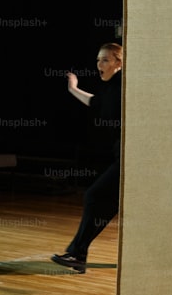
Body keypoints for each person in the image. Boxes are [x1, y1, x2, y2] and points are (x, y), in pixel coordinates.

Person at [51, 43, 123, 274]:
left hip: (133, 159)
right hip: (123, 156)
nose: (99, 65)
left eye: (105, 60)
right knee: (111, 203)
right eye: (98, 60)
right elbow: (96, 103)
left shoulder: (125, 84)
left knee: (95, 196)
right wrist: (73, 88)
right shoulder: (111, 87)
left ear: (118, 63)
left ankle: (77, 253)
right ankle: (78, 253)